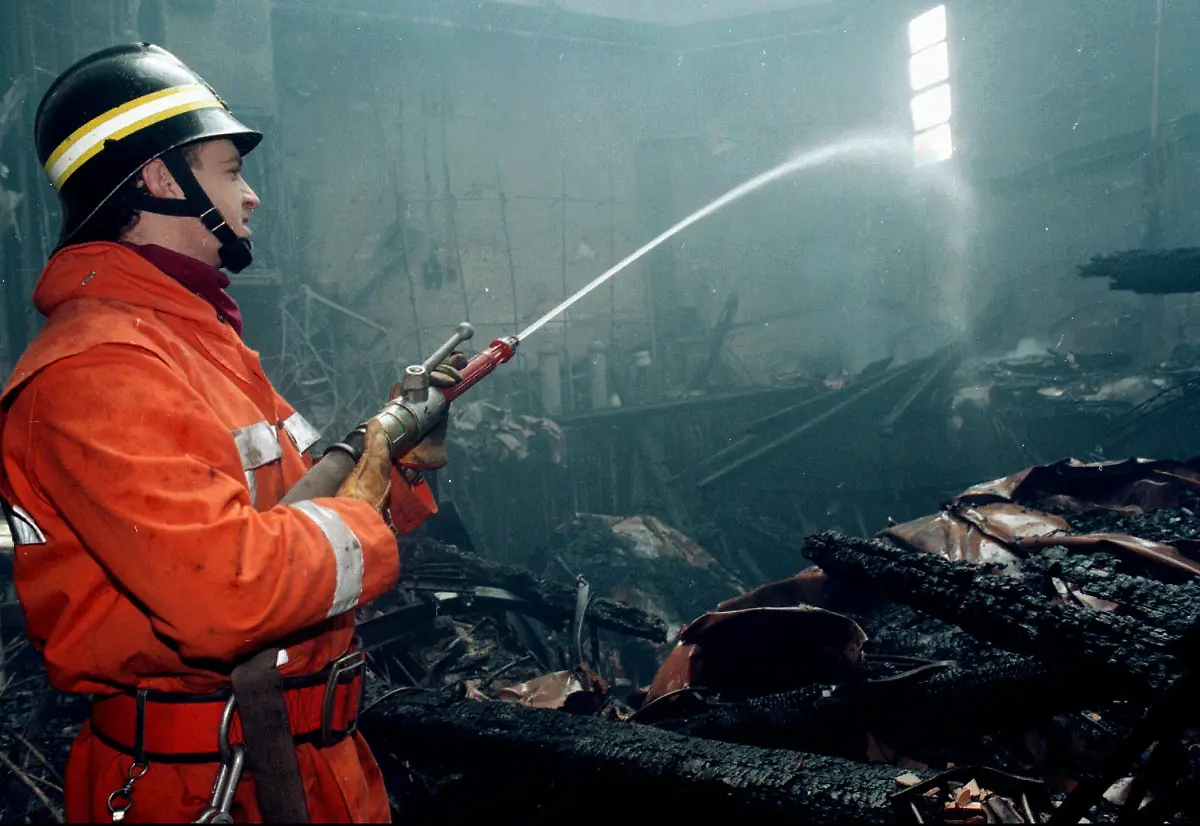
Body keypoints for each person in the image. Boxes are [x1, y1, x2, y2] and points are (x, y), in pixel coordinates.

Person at [0, 43, 463, 823]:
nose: (251, 198)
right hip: (201, 787)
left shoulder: (195, 342)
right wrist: (364, 522)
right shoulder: (97, 372)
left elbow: (290, 504)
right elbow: (229, 592)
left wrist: (397, 460)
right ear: (158, 178)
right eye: (228, 171)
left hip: (301, 763)